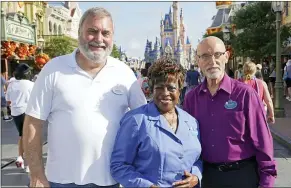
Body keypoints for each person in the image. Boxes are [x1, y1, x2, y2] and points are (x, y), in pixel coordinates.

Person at [23, 7, 147, 188]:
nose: (99, 39)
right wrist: (36, 174)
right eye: (92, 31)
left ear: (112, 37)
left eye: (106, 33)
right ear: (80, 33)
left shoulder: (124, 73)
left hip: (111, 180)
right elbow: (33, 122)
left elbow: (144, 121)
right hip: (61, 181)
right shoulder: (53, 69)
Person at [183, 36, 276, 188]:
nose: (212, 61)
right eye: (205, 56)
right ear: (198, 61)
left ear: (226, 57)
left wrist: (267, 182)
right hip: (206, 178)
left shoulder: (245, 94)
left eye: (217, 54)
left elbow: (263, 141)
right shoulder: (191, 99)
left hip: (242, 177)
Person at [110, 57, 202, 188]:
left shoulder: (191, 122)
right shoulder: (136, 120)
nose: (165, 93)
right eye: (159, 88)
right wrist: (146, 186)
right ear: (151, 89)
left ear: (180, 89)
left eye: (171, 88)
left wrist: (196, 176)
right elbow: (118, 166)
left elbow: (197, 159)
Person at [5, 63, 34, 172]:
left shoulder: (11, 84)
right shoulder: (31, 84)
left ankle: (20, 158)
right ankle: (28, 164)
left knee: (22, 136)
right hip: (27, 112)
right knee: (29, 137)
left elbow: (8, 100)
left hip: (15, 112)